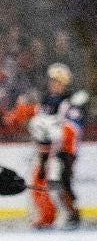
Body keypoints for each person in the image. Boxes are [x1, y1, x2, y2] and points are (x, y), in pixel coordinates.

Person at [27, 62, 88, 230]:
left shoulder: (69, 104)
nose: (54, 84)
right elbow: (36, 121)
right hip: (44, 149)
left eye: (58, 81)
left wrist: (57, 130)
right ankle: (46, 216)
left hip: (63, 151)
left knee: (60, 182)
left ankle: (73, 214)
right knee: (38, 182)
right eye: (52, 81)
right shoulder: (45, 102)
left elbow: (74, 129)